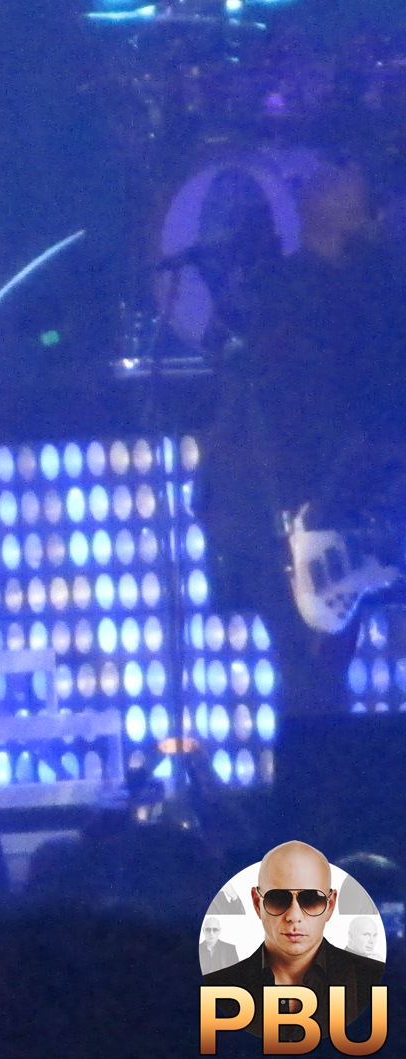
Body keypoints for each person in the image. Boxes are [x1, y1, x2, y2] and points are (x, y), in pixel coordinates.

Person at [195, 159, 406, 716]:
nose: (318, 179)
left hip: (326, 512)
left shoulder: (361, 293)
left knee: (317, 676)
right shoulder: (289, 291)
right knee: (311, 676)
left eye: (343, 178)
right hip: (288, 516)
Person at [206, 841, 385, 1041]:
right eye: (277, 899)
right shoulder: (217, 988)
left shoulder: (373, 982)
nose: (294, 916)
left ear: (330, 905)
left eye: (311, 899)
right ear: (257, 904)